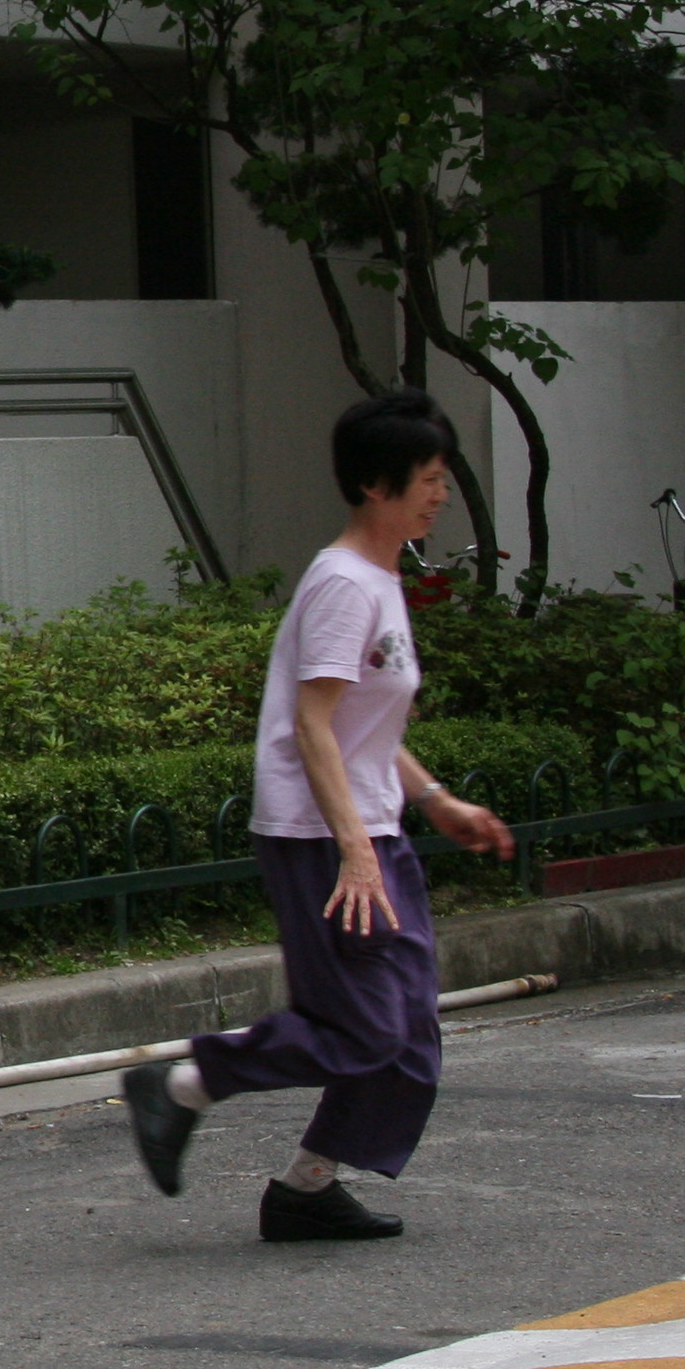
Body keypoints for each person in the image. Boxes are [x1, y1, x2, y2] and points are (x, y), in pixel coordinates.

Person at [120, 388, 517, 1241]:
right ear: (380, 485)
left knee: (409, 1032)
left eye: (444, 478)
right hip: (320, 837)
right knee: (366, 1028)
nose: (441, 494)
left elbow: (364, 727)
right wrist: (354, 852)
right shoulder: (343, 585)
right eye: (430, 478)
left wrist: (436, 800)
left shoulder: (381, 576)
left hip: (371, 826)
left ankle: (306, 1189)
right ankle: (185, 1084)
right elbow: (312, 725)